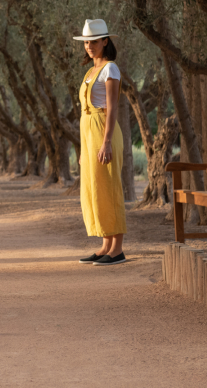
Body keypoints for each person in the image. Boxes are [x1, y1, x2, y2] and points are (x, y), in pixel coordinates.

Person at [73, 19, 127, 266]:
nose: (89, 46)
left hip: (104, 132)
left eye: (93, 41)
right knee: (94, 189)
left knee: (109, 187)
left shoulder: (110, 69)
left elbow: (112, 108)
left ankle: (117, 249)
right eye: (86, 42)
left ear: (105, 41)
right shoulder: (90, 71)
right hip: (89, 134)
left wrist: (106, 142)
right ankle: (105, 245)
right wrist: (84, 147)